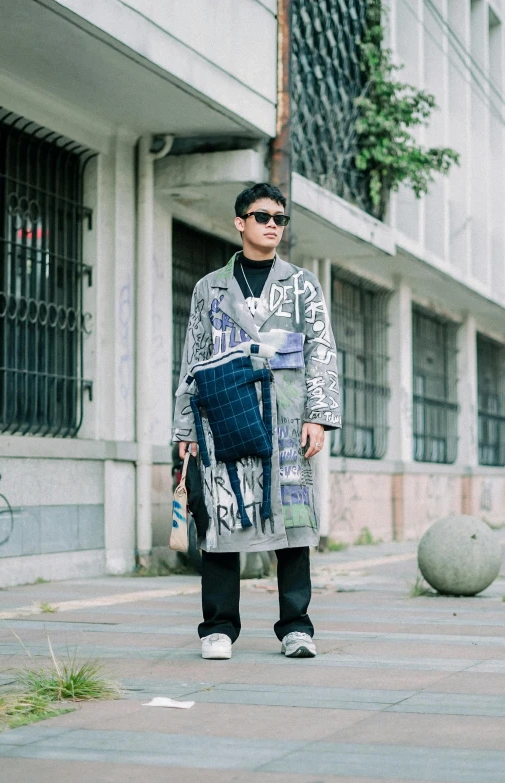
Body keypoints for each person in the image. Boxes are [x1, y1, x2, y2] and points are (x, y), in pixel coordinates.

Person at [173, 183, 341, 660]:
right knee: (222, 519)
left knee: (293, 523)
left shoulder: (303, 284)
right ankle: (219, 628)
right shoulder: (211, 287)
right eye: (263, 216)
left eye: (280, 219)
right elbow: (194, 358)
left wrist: (318, 417)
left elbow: (321, 351)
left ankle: (295, 627)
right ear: (240, 222)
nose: (272, 225)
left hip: (286, 419)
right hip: (223, 416)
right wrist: (186, 429)